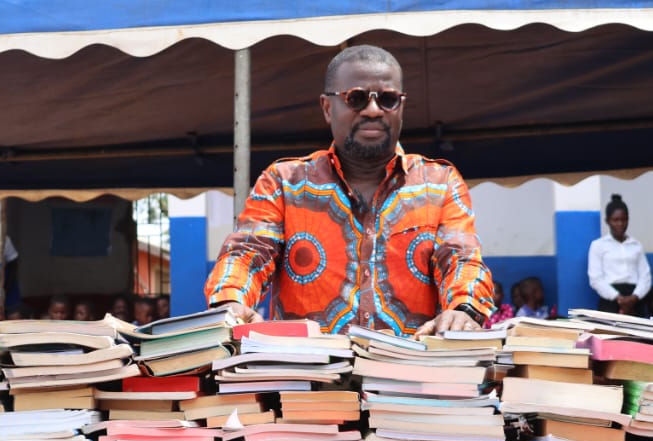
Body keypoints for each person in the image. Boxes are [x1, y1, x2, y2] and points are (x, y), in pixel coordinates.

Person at [205, 44, 495, 336]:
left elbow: (460, 258)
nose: (373, 110)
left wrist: (463, 309)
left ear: (402, 107)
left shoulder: (440, 184)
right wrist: (231, 302)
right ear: (327, 108)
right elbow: (248, 253)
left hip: (410, 365)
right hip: (308, 364)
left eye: (388, 99)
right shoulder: (284, 182)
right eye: (356, 98)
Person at [587, 194, 652, 315]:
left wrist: (634, 297)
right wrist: (618, 298)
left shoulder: (636, 245)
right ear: (607, 221)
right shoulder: (598, 245)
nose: (620, 224)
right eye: (615, 220)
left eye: (624, 219)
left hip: (635, 302)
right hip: (610, 301)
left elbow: (645, 277)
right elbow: (595, 279)